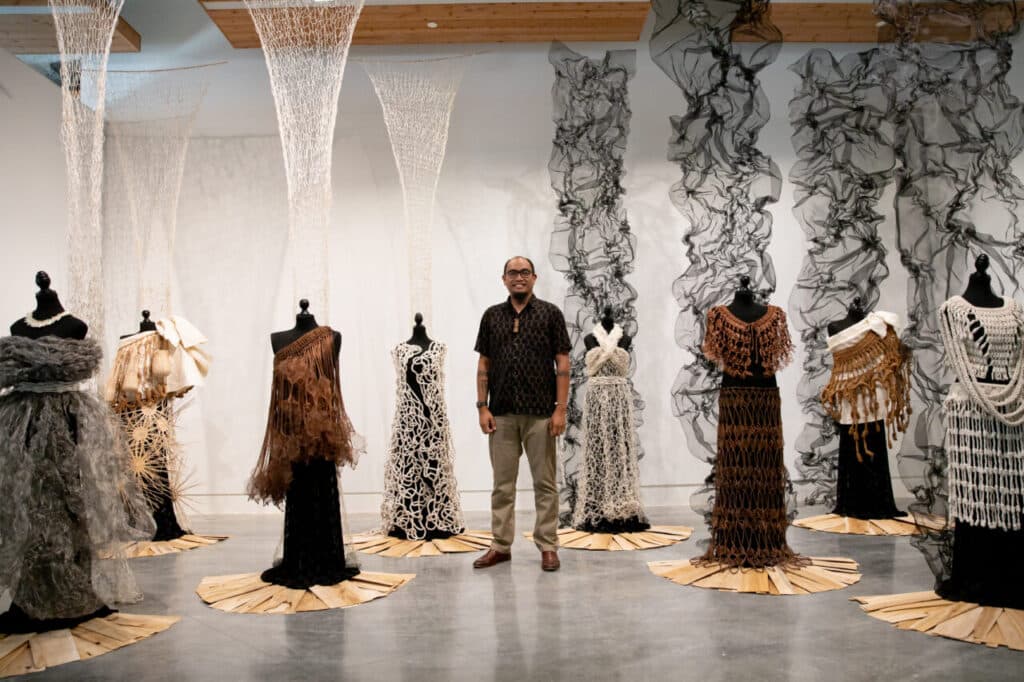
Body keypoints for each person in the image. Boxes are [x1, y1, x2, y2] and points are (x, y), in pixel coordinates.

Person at [473, 256, 571, 572]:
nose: (519, 277)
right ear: (504, 279)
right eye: (513, 273)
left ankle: (548, 546)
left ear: (534, 278)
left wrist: (560, 410)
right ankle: (501, 546)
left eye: (524, 272)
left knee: (545, 484)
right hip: (501, 415)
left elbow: (563, 365)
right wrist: (482, 406)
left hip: (541, 415)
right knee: (502, 486)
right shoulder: (491, 317)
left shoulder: (550, 314)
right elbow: (483, 365)